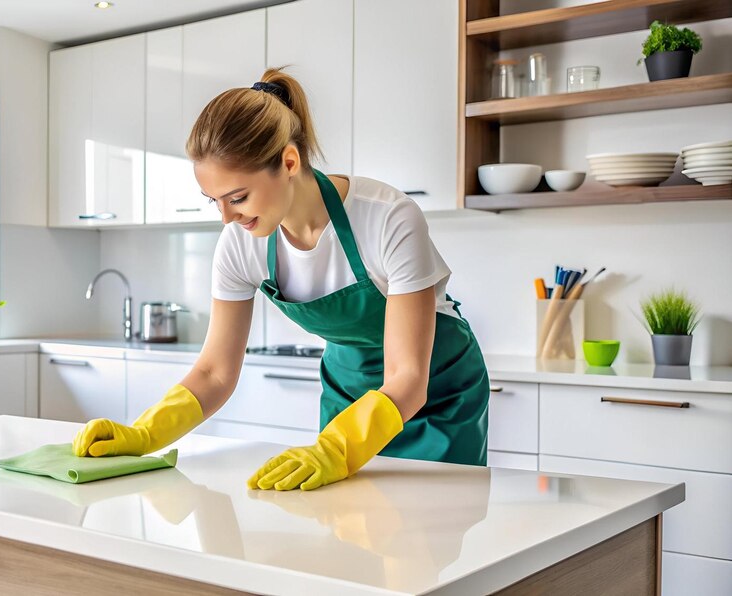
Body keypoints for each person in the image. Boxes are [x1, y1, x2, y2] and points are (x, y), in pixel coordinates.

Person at [72, 67, 490, 491]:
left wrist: (337, 448)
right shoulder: (241, 243)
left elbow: (408, 378)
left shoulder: (388, 217)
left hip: (436, 389)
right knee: (349, 536)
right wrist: (145, 434)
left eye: (237, 198)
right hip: (351, 393)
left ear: (289, 162)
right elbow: (216, 372)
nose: (227, 217)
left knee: (429, 537)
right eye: (214, 201)